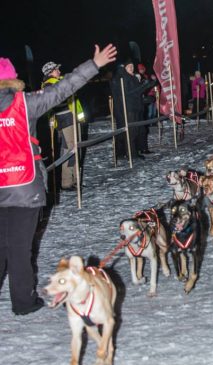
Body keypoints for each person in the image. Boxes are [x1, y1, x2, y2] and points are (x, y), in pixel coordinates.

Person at [0, 44, 117, 315]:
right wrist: (94, 64)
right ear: (12, 80)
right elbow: (63, 88)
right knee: (19, 248)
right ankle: (23, 302)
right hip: (23, 187)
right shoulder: (25, 103)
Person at [41, 62, 85, 191]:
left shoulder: (60, 81)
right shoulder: (49, 85)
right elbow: (56, 103)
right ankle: (67, 182)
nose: (59, 71)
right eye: (56, 70)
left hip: (71, 117)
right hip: (64, 119)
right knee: (71, 149)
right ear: (50, 72)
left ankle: (74, 180)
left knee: (74, 149)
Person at [110, 60, 155, 160]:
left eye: (132, 66)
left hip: (134, 108)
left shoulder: (131, 78)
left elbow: (137, 94)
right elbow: (130, 94)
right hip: (127, 109)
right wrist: (145, 85)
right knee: (130, 132)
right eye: (129, 66)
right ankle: (130, 153)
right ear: (124, 68)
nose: (132, 68)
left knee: (136, 131)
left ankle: (130, 152)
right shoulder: (122, 79)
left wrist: (146, 98)